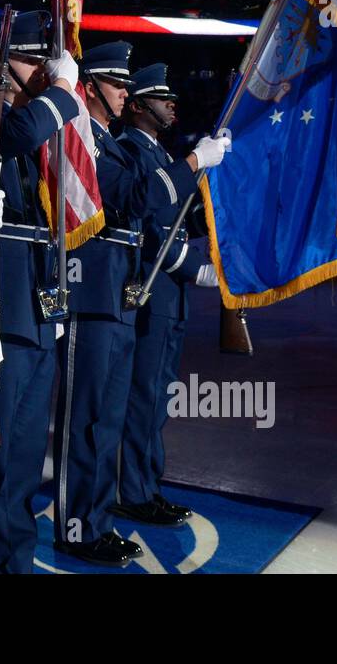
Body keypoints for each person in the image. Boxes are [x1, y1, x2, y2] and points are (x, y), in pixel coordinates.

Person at [53, 43, 230, 563]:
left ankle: (98, 518)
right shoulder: (93, 144)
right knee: (89, 420)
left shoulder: (112, 145)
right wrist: (194, 162)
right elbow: (139, 201)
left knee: (107, 417)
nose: (126, 92)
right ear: (91, 89)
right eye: (118, 85)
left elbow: (153, 204)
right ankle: (79, 524)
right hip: (95, 293)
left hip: (121, 294)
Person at [0, 11, 80, 574]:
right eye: (32, 60)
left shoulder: (41, 134)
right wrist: (64, 92)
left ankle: (16, 568)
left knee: (26, 467)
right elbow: (15, 136)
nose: (43, 71)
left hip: (39, 315)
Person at [112, 63, 228, 525]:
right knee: (142, 397)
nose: (172, 105)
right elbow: (152, 231)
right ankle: (132, 491)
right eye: (162, 99)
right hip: (152, 290)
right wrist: (198, 271)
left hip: (169, 297)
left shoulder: (161, 156)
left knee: (156, 397)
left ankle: (147, 484)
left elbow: (183, 221)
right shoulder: (130, 153)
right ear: (138, 106)